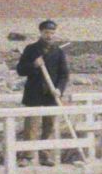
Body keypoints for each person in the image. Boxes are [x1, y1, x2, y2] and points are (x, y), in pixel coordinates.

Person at [16, 20, 72, 165]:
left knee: (49, 126)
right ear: (40, 32)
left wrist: (59, 89)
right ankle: (27, 156)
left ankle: (45, 155)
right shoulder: (31, 49)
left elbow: (64, 74)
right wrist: (33, 65)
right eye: (47, 32)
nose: (49, 35)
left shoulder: (58, 52)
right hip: (34, 94)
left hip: (51, 95)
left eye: (52, 33)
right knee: (31, 127)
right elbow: (20, 70)